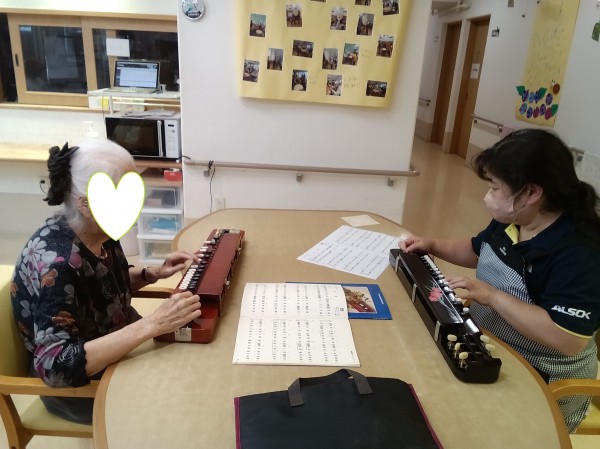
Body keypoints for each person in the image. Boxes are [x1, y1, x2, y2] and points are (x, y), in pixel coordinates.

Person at [400, 128, 600, 432]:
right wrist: (432, 244)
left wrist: (493, 296)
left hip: (541, 374)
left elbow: (568, 339)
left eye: (494, 187)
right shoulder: (516, 218)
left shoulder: (578, 253)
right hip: (489, 345)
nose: (488, 197)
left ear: (531, 193)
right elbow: (477, 249)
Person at [10, 140, 202, 424]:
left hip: (119, 344)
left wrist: (152, 273)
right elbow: (55, 366)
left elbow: (99, 287)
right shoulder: (57, 264)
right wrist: (152, 324)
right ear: (86, 204)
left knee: (192, 363)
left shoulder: (100, 230)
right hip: (84, 386)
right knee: (181, 402)